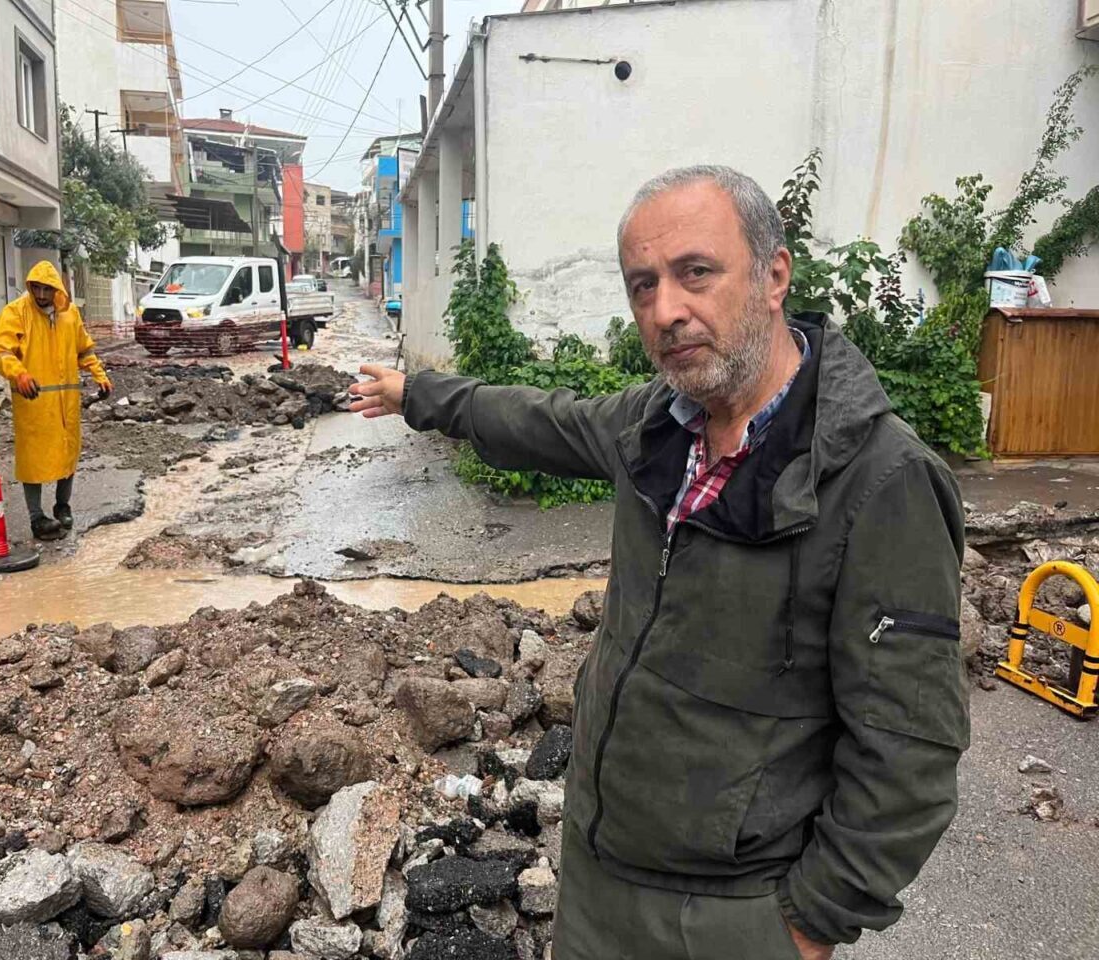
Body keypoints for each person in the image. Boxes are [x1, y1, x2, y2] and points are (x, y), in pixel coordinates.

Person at [350, 166, 969, 960]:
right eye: (643, 286)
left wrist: (808, 925)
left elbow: (909, 751)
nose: (666, 310)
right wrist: (419, 395)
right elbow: (541, 420)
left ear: (775, 274)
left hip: (728, 914)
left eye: (695, 273)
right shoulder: (660, 426)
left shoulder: (879, 481)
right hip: (599, 874)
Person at [0, 261, 112, 541]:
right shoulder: (16, 313)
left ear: (57, 289)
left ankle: (62, 505)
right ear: (30, 286)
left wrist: (99, 375)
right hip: (34, 401)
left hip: (66, 401)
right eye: (37, 288)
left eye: (47, 289)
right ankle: (36, 517)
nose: (42, 294)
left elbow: (84, 350)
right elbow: (1, 351)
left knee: (67, 454)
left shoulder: (69, 315)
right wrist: (19, 374)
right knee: (33, 459)